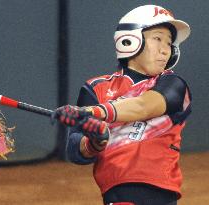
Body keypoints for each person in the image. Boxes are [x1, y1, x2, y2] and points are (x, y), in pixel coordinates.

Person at [53, 4, 192, 205]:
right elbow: (75, 149)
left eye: (169, 43)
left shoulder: (173, 84)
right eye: (157, 38)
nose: (165, 50)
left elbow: (144, 106)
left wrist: (96, 111)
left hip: (162, 195)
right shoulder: (95, 88)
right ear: (129, 40)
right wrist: (94, 143)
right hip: (119, 194)